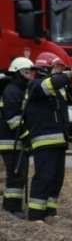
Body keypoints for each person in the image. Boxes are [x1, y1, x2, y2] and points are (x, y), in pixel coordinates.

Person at [23, 52, 72, 221]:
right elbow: (49, 84)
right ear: (45, 69)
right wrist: (66, 76)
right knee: (44, 177)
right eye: (56, 67)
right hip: (44, 141)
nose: (59, 71)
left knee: (56, 179)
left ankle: (50, 212)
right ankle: (35, 215)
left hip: (59, 140)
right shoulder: (35, 85)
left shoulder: (57, 87)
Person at [0, 57, 34, 219]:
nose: (29, 75)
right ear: (17, 73)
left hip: (17, 141)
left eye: (30, 72)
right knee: (15, 176)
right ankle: (12, 209)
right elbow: (13, 118)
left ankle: (10, 205)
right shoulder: (11, 92)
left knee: (19, 176)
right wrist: (27, 136)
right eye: (26, 72)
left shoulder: (20, 91)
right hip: (10, 143)